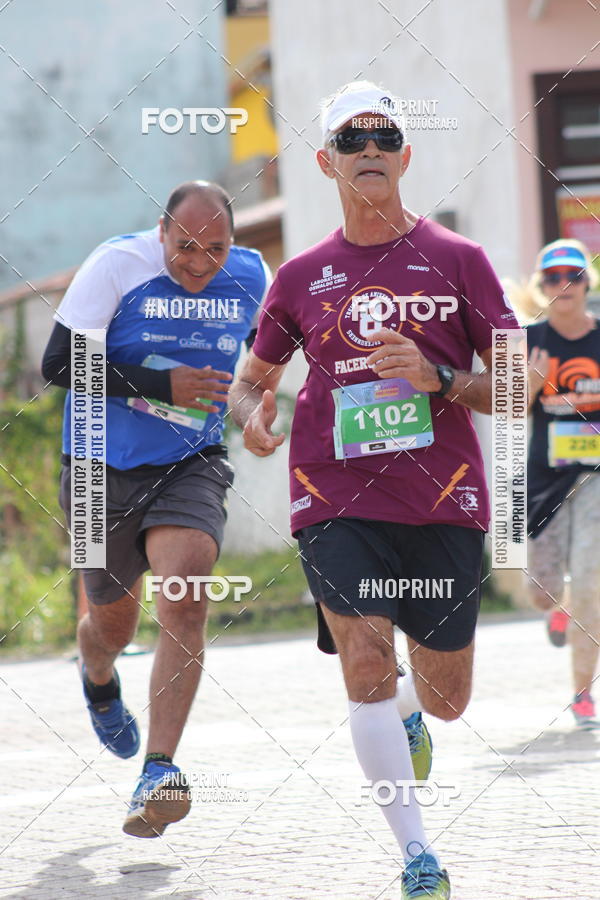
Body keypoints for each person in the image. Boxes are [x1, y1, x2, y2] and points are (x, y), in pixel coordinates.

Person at [229, 81, 519, 899]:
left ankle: (413, 717)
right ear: (326, 161)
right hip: (333, 491)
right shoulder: (300, 276)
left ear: (404, 155)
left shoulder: (460, 263)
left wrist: (436, 377)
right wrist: (253, 416)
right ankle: (417, 855)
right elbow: (251, 382)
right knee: (363, 660)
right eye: (351, 140)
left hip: (444, 495)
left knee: (448, 696)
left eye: (382, 137)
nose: (368, 150)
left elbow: (516, 386)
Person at [42, 180, 270, 837]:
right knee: (112, 625)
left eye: (216, 248)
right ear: (160, 232)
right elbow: (57, 364)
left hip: (188, 462)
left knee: (187, 590)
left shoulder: (253, 275)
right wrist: (156, 383)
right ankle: (99, 674)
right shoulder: (117, 265)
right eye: (185, 247)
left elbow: (263, 362)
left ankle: (159, 769)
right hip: (94, 469)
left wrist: (255, 409)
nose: (199, 263)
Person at [520, 238, 600, 728]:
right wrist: (529, 382)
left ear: (587, 283)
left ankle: (583, 693)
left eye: (572, 275)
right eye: (553, 277)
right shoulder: (526, 341)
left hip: (595, 477)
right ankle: (557, 608)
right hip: (543, 480)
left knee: (592, 583)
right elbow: (505, 416)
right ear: (542, 286)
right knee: (540, 591)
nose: (563, 284)